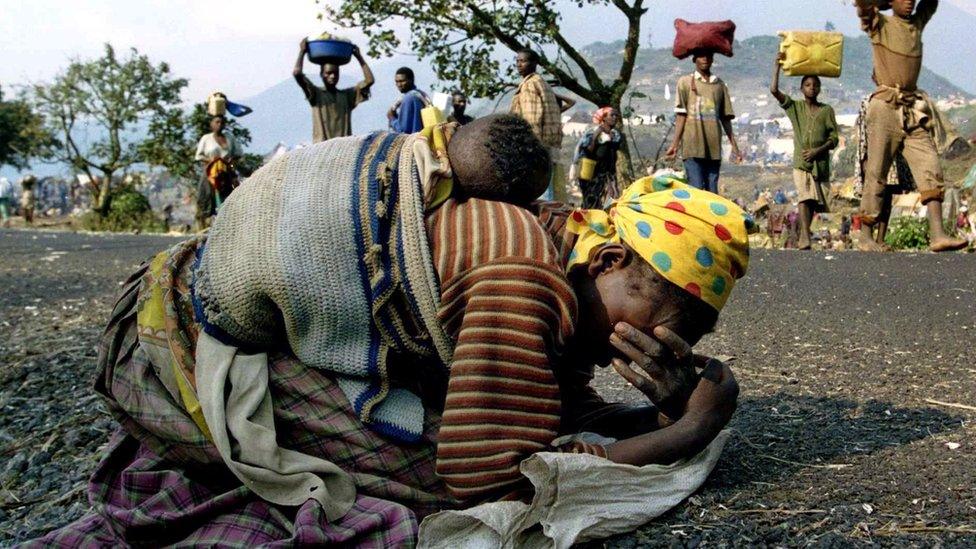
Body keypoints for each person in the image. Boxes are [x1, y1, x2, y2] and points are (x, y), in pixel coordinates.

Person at [26, 121, 748, 546]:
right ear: (611, 260)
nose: (668, 344)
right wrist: (683, 436)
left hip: (194, 314)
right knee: (423, 486)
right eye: (670, 320)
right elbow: (492, 476)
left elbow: (549, 405)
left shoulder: (558, 241)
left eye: (689, 337)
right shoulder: (526, 273)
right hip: (172, 349)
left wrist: (669, 402)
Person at [855, 0, 966, 252]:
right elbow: (863, 7)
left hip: (912, 107)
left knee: (930, 164)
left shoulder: (917, 24)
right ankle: (865, 235)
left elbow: (932, 3)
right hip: (884, 106)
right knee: (876, 171)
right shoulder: (879, 23)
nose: (909, 2)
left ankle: (938, 234)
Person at [770, 52, 840, 250]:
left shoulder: (827, 111)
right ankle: (805, 237)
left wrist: (818, 151)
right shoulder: (795, 108)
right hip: (801, 163)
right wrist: (777, 66)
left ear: (819, 89)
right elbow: (774, 90)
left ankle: (804, 233)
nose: (812, 88)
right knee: (804, 197)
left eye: (815, 85)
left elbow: (833, 138)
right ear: (801, 88)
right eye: (808, 85)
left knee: (813, 202)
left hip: (820, 164)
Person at [666, 50, 743, 194]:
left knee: (712, 193)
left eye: (708, 56)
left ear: (713, 59)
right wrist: (675, 144)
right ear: (694, 59)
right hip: (692, 147)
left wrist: (735, 146)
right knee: (695, 191)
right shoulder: (685, 82)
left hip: (713, 149)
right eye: (701, 56)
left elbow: (725, 118)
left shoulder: (719, 85)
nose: (705, 59)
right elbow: (681, 115)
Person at [293, 38, 375, 143]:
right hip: (321, 148)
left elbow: (369, 80)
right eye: (328, 73)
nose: (333, 76)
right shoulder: (316, 95)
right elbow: (297, 73)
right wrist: (302, 52)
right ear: (322, 75)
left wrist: (359, 57)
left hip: (343, 148)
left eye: (336, 73)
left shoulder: (346, 96)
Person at [510, 48, 565, 201]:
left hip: (536, 144)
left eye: (523, 61)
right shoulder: (542, 83)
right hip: (548, 143)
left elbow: (532, 118)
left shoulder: (529, 85)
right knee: (547, 188)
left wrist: (529, 145)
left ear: (534, 63)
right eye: (517, 61)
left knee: (538, 191)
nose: (519, 65)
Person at [194, 116, 242, 229]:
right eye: (217, 122)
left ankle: (229, 223)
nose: (219, 124)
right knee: (206, 196)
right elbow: (199, 156)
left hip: (226, 172)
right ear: (212, 124)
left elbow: (238, 153)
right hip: (211, 172)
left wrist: (230, 160)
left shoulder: (229, 137)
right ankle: (207, 223)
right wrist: (211, 160)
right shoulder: (206, 138)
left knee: (231, 196)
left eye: (222, 122)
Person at [574, 107, 624, 208]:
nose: (615, 118)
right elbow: (586, 150)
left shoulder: (615, 135)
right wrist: (596, 137)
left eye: (616, 116)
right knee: (591, 199)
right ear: (604, 118)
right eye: (612, 115)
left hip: (608, 173)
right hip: (592, 173)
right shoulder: (592, 133)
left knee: (611, 200)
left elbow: (614, 148)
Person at [388, 67, 428, 134]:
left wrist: (391, 118)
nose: (399, 85)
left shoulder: (409, 98)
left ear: (411, 80)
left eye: (402, 81)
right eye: (396, 82)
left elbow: (403, 130)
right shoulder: (421, 94)